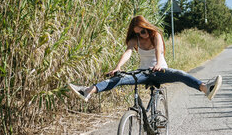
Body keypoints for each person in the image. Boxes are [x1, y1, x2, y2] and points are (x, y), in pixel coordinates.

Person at [69, 15, 222, 102]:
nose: (142, 35)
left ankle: (205, 88)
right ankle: (88, 91)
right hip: (143, 72)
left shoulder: (156, 35)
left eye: (143, 31)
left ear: (147, 27)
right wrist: (118, 67)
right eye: (138, 33)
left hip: (161, 70)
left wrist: (158, 64)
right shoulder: (135, 39)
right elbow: (128, 52)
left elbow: (159, 50)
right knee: (118, 78)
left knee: (180, 74)